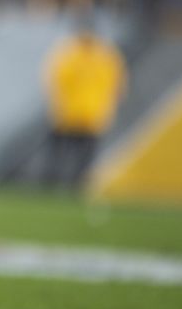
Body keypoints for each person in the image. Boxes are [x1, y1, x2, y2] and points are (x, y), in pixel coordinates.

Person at [42, 19, 127, 188]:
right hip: (69, 114)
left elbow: (116, 85)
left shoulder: (102, 56)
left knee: (82, 155)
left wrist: (107, 108)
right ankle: (51, 183)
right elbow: (55, 82)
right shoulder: (71, 54)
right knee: (60, 153)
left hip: (90, 114)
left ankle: (75, 185)